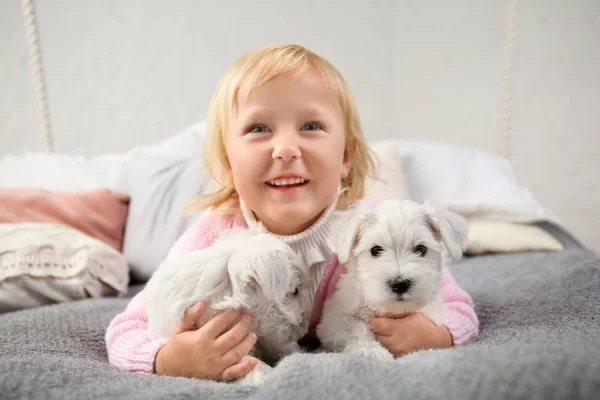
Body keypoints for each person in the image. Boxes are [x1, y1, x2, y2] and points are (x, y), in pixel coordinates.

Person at [105, 43, 479, 382]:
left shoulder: (374, 230)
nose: (285, 149)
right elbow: (126, 331)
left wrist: (436, 335)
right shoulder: (214, 235)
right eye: (259, 128)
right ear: (228, 161)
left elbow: (460, 307)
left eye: (311, 126)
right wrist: (170, 357)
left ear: (346, 157)